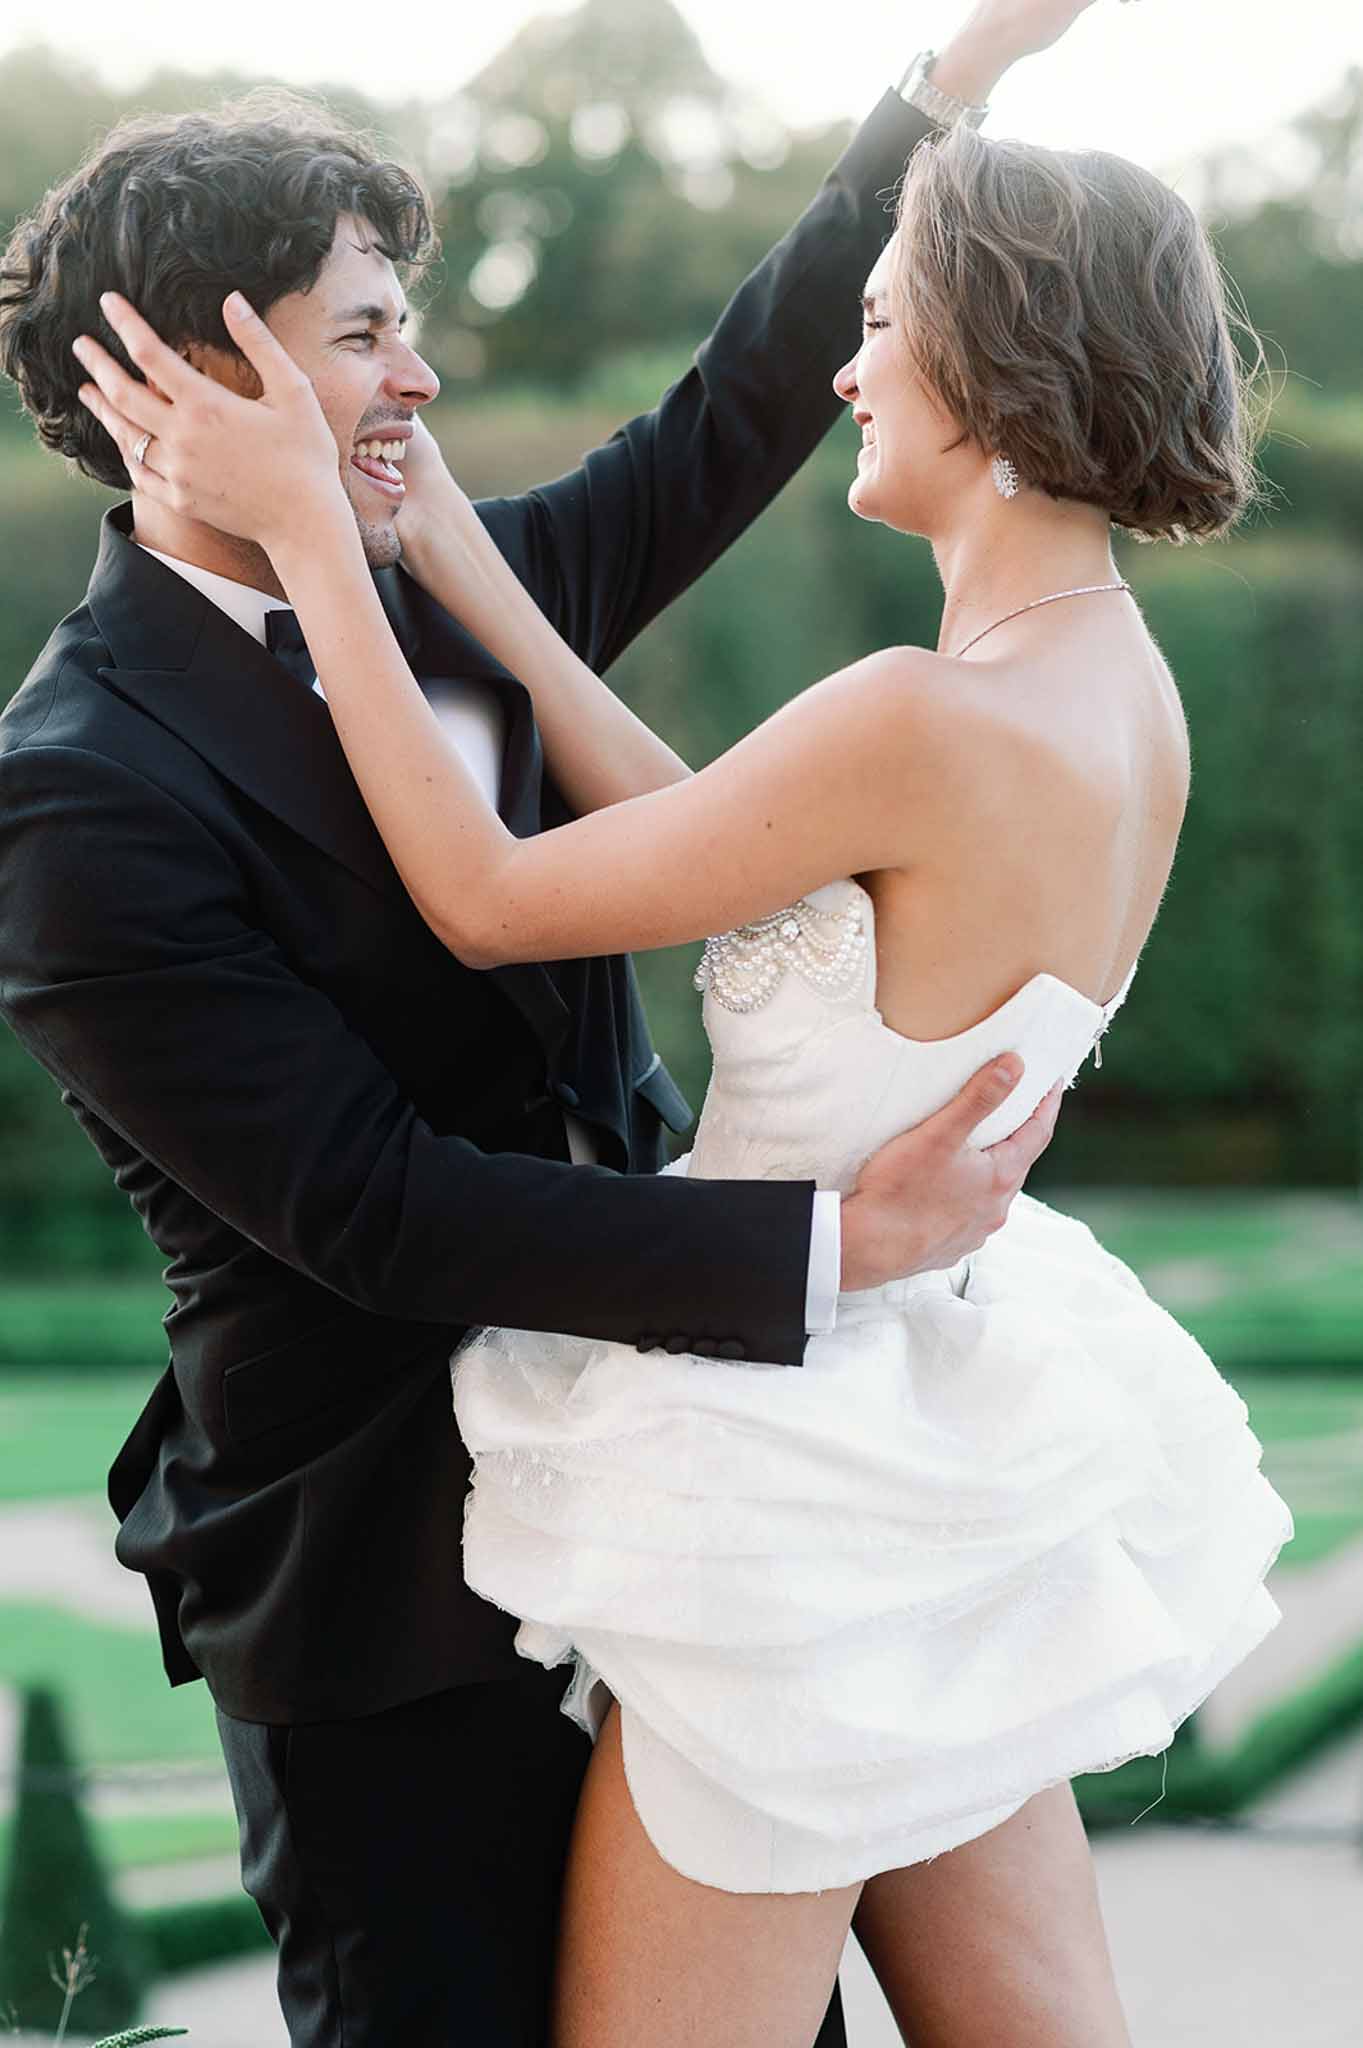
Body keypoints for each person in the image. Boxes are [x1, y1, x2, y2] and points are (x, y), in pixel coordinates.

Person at [72, 74, 1297, 2048]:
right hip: (878, 1429)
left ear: (984, 365)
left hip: (773, 1482)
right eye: (373, 331)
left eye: (883, 326)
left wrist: (327, 540)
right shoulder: (1103, 689)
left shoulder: (913, 714)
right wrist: (450, 566)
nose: (840, 374)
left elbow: (494, 889)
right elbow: (728, 859)